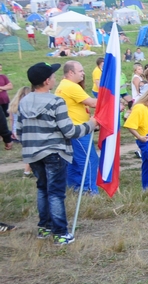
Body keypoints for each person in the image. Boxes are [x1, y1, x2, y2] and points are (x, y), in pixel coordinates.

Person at [17, 62, 97, 245]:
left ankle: (44, 228)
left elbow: (20, 131)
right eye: (52, 76)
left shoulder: (24, 101)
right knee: (55, 193)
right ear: (47, 81)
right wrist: (91, 124)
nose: (55, 78)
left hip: (33, 154)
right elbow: (69, 131)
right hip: (54, 153)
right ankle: (60, 233)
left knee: (42, 189)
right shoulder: (55, 101)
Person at [54, 60, 99, 193]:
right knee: (89, 160)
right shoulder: (71, 86)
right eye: (80, 71)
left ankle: (75, 188)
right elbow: (92, 102)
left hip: (71, 129)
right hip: (78, 130)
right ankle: (89, 190)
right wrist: (111, 100)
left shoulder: (65, 85)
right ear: (70, 72)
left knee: (73, 161)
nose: (83, 74)